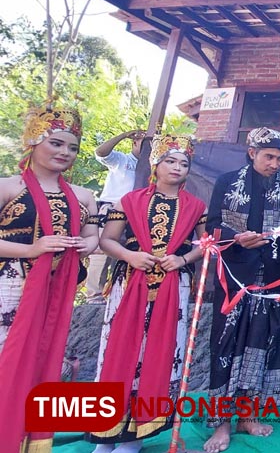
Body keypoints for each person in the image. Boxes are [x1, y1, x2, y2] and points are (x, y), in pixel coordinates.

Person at [87, 134, 207, 453]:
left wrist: (182, 258)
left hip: (173, 285)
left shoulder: (196, 207)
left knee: (161, 353)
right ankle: (106, 434)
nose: (177, 167)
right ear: (155, 164)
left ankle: (135, 438)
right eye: (170, 160)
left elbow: (204, 245)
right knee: (118, 349)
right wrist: (130, 256)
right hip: (130, 281)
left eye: (184, 163)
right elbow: (107, 240)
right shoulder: (129, 201)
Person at [0, 107, 98, 452]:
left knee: (42, 362)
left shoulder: (84, 196)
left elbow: (93, 236)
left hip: (57, 290)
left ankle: (25, 441)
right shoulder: (7, 187)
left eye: (72, 147)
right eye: (56, 143)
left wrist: (88, 243)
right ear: (33, 140)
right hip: (9, 286)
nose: (64, 153)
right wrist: (32, 249)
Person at [204, 127, 280, 452]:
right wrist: (236, 237)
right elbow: (214, 226)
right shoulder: (228, 183)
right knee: (227, 344)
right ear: (252, 153)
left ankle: (248, 416)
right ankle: (221, 423)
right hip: (235, 275)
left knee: (264, 342)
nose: (275, 164)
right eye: (269, 157)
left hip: (275, 276)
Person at [86, 129, 145, 303]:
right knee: (101, 251)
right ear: (135, 143)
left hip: (136, 214)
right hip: (111, 208)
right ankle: (94, 296)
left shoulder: (153, 166)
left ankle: (117, 294)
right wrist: (123, 135)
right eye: (145, 142)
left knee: (127, 252)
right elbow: (101, 152)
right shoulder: (122, 160)